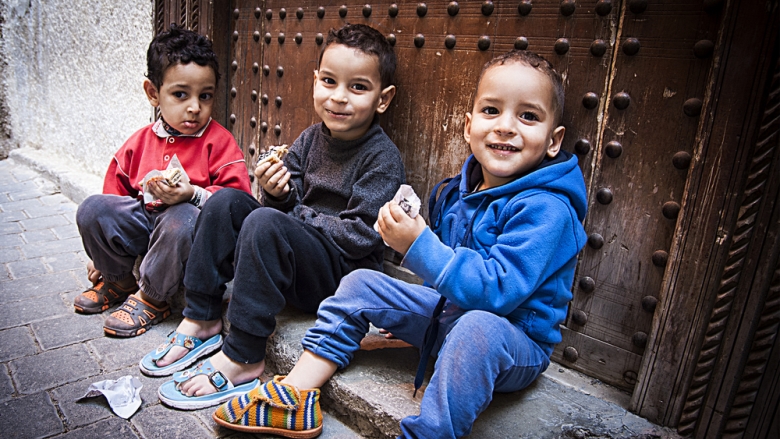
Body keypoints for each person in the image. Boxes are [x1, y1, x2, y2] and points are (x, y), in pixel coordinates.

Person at [210, 49, 589, 439]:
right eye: (491, 111)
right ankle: (296, 391)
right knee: (361, 283)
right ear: (467, 125)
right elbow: (444, 274)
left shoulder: (549, 209)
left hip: (511, 341)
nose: (506, 127)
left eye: (527, 116)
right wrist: (412, 312)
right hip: (450, 315)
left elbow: (498, 292)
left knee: (477, 329)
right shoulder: (459, 190)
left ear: (554, 140)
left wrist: (419, 245)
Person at [143, 23, 406, 410]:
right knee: (227, 201)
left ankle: (244, 355)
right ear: (315, 81)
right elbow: (283, 205)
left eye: (358, 88)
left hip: (337, 276)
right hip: (296, 255)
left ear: (383, 100)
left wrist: (288, 209)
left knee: (264, 222)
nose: (339, 98)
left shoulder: (382, 159)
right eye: (329, 82)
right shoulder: (310, 139)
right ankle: (202, 318)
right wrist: (275, 190)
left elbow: (359, 237)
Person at [74, 25, 252, 338]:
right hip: (146, 226)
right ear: (153, 93)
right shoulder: (141, 141)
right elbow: (116, 193)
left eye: (205, 96)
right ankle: (118, 280)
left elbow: (237, 201)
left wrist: (193, 194)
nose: (195, 107)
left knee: (180, 218)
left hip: (188, 237)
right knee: (92, 209)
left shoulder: (219, 143)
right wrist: (98, 257)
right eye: (180, 94)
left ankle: (153, 297)